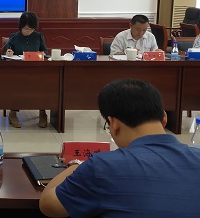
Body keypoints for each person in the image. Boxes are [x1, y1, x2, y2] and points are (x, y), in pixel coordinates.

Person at [39, 78, 200, 217]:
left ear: (114, 124)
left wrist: (77, 165)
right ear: (164, 118)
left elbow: (48, 205)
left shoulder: (102, 166)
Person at [4, 11, 48, 128]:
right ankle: (13, 113)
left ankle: (42, 113)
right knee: (15, 84)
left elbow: (45, 51)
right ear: (21, 26)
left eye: (31, 29)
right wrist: (9, 52)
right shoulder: (14, 37)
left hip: (36, 71)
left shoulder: (38, 36)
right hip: (18, 71)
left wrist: (41, 54)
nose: (28, 31)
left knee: (44, 84)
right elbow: (7, 50)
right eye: (26, 28)